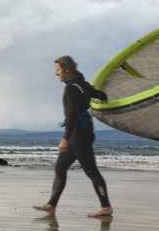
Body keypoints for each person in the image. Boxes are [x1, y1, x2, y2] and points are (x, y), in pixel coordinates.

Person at [34, 55, 113, 218]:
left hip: (78, 135)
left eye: (58, 70)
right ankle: (51, 205)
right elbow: (101, 96)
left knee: (91, 171)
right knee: (60, 168)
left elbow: (72, 115)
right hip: (83, 132)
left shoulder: (71, 88)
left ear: (67, 69)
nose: (57, 74)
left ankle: (106, 208)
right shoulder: (83, 85)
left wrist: (65, 138)